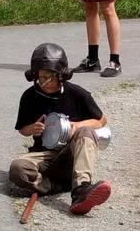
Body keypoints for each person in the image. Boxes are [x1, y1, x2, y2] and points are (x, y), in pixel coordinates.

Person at [9, 42, 112, 215]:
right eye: (42, 77)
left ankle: (81, 189)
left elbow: (101, 120)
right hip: (43, 155)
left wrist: (78, 125)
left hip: (69, 153)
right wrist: (32, 129)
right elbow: (22, 129)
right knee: (17, 169)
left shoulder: (77, 94)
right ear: (35, 75)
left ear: (62, 74)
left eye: (52, 76)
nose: (47, 82)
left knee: (86, 132)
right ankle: (54, 185)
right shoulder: (29, 97)